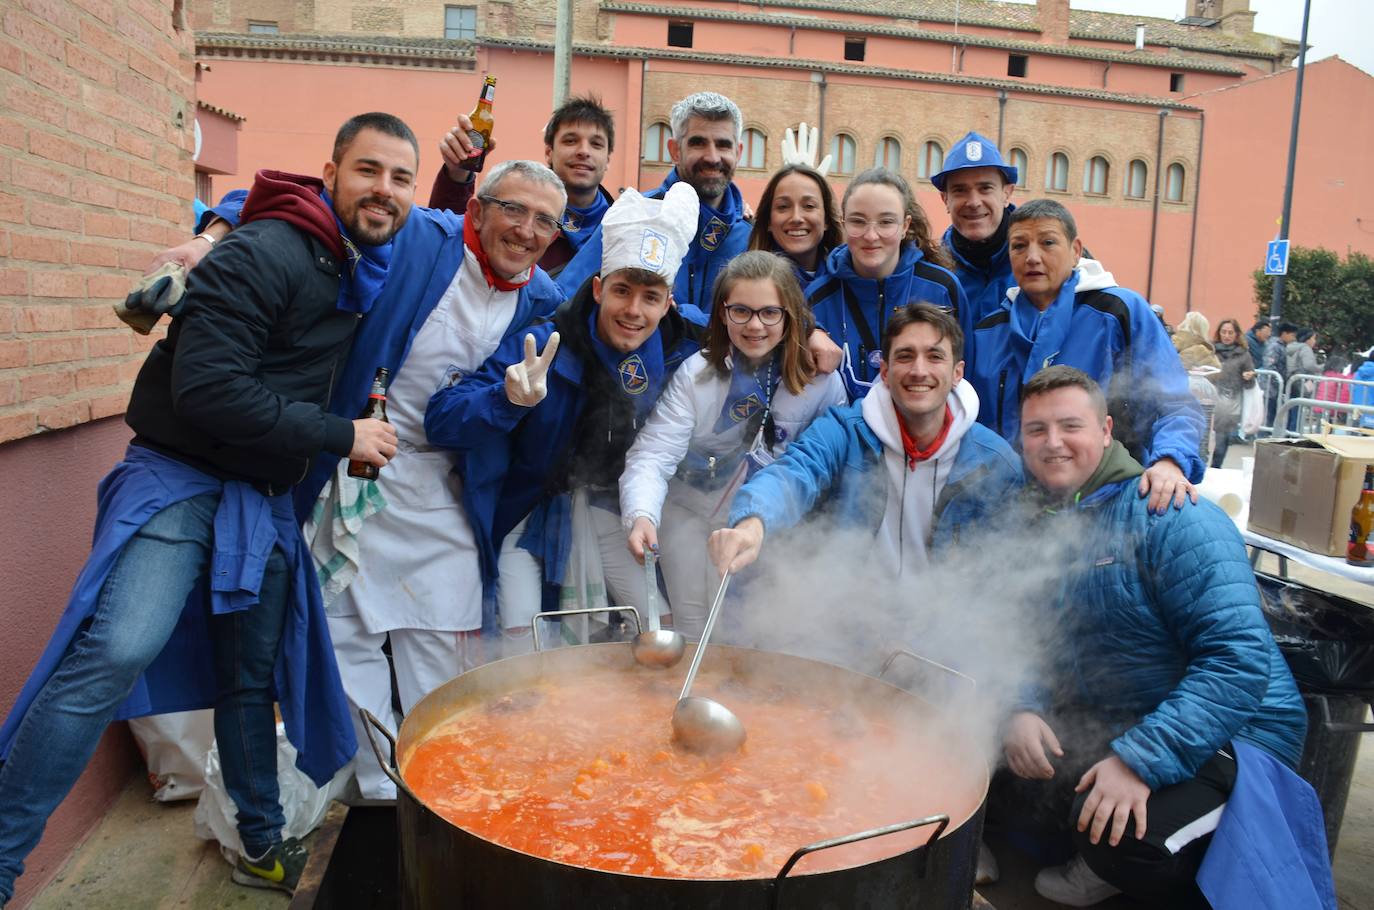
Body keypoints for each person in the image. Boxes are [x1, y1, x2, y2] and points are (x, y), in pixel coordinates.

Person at [0, 112, 419, 901]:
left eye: (400, 177)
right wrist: (342, 434)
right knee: (113, 652)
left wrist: (218, 219)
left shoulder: (354, 258)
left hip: (256, 501)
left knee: (248, 680)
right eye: (368, 170)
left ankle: (260, 844)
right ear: (330, 171)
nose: (384, 190)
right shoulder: (266, 251)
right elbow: (207, 391)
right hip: (179, 479)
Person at [996, 365, 1319, 909]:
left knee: (1127, 839)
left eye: (1069, 426)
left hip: (1238, 735)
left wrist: (1141, 760)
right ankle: (1099, 848)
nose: (1052, 443)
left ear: (1106, 430)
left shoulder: (1172, 515)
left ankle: (1144, 872)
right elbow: (1023, 636)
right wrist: (1021, 708)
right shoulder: (1039, 522)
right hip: (1126, 714)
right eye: (1036, 430)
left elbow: (1235, 661)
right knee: (996, 767)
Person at [302, 160, 569, 800]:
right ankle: (379, 793)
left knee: (446, 651)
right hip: (357, 459)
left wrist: (509, 401)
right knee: (346, 640)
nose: (527, 230)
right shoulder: (423, 234)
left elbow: (457, 419)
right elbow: (311, 202)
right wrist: (218, 228)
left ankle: (438, 792)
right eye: (514, 209)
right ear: (478, 209)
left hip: (445, 483)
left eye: (545, 220)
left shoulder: (544, 303)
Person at [425, 183, 704, 645]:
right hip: (528, 510)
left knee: (659, 632)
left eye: (650, 297)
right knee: (522, 644)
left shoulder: (685, 342)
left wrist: (809, 337)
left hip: (614, 509)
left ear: (668, 301)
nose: (634, 311)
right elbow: (441, 418)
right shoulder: (543, 343)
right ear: (597, 289)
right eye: (621, 291)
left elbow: (758, 321)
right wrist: (506, 398)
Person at [708, 303, 1020, 584]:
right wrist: (752, 523)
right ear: (884, 371)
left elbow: (1015, 563)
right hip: (853, 624)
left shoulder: (994, 461)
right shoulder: (845, 431)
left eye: (935, 356)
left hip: (944, 631)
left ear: (957, 373)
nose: (919, 371)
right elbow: (793, 474)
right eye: (905, 355)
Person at [619, 251, 846, 638]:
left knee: (752, 630)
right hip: (689, 512)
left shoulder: (821, 383)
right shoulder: (697, 375)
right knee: (695, 627)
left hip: (770, 524)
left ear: (790, 315)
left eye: (769, 313)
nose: (755, 325)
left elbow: (826, 471)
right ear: (723, 314)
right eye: (741, 311)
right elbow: (654, 454)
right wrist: (642, 514)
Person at [966, 198, 1205, 513]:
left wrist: (1171, 461)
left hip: (1109, 503)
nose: (1032, 257)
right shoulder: (989, 331)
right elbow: (975, 427)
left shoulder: (1120, 312)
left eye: (1048, 243)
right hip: (1014, 511)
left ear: (1075, 250)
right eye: (1019, 246)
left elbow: (1175, 404)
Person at [556, 91, 751, 321]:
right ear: (675, 150)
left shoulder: (751, 236)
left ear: (737, 153)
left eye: (723, 145)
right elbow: (562, 303)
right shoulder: (634, 214)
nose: (712, 157)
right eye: (698, 143)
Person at [807, 167, 968, 400]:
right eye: (858, 221)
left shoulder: (942, 288)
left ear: (905, 226)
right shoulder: (817, 297)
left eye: (886, 222)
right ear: (843, 223)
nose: (871, 235)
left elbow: (964, 376)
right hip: (838, 434)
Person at [429, 94, 616, 278]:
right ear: (549, 152)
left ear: (607, 159)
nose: (583, 151)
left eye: (596, 144)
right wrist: (458, 171)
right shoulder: (506, 206)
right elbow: (449, 241)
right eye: (570, 141)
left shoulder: (618, 231)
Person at [932, 131, 1020, 325]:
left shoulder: (1040, 262)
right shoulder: (933, 272)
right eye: (960, 190)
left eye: (985, 188)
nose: (973, 202)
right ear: (945, 199)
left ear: (1007, 193)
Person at [746, 163, 843, 288]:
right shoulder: (748, 283)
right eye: (783, 207)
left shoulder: (849, 283)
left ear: (827, 220)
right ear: (768, 221)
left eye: (809, 206)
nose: (796, 218)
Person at [1210, 318, 1256, 467]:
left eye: (1230, 332)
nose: (1226, 335)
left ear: (1236, 335)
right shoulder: (1210, 351)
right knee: (1203, 438)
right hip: (1209, 399)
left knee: (1222, 439)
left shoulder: (1243, 354)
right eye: (1223, 332)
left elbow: (1250, 382)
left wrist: (1249, 377)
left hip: (1230, 402)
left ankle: (1216, 468)